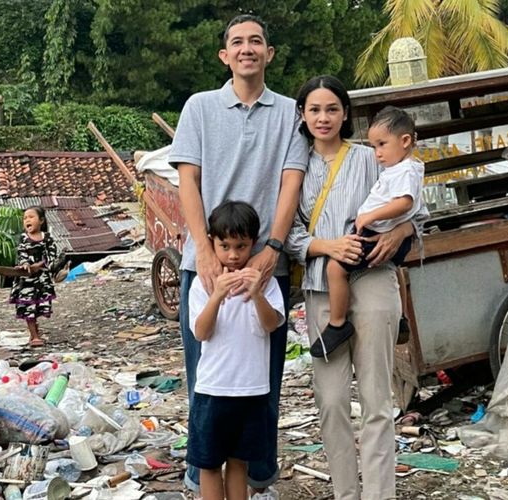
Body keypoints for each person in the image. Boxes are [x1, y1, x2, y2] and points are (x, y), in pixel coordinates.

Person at [168, 14, 308, 498]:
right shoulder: (199, 107)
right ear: (224, 56)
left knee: (262, 380)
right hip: (203, 264)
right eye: (236, 42)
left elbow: (291, 181)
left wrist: (273, 247)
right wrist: (204, 253)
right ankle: (200, 474)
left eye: (256, 41)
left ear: (269, 54)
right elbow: (189, 179)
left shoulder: (292, 113)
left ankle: (256, 478)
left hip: (266, 263)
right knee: (204, 377)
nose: (247, 48)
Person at [286, 75, 427, 500]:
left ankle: (379, 495)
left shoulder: (373, 157)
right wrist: (327, 245)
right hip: (320, 288)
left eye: (332, 109)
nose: (323, 118)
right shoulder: (294, 168)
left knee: (375, 400)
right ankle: (346, 493)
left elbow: (416, 207)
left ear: (345, 113)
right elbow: (288, 233)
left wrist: (401, 231)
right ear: (303, 115)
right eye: (314, 110)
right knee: (330, 402)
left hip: (373, 282)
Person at [187, 201, 285, 500]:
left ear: (253, 244)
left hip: (251, 390)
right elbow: (201, 332)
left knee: (239, 462)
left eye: (241, 246)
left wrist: (256, 293)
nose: (233, 255)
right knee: (209, 464)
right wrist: (216, 295)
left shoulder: (264, 284)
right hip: (213, 389)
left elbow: (271, 325)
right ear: (212, 243)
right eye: (224, 245)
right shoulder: (201, 285)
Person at [312, 106, 424, 358]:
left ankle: (337, 323)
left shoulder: (405, 170)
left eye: (382, 145)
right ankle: (403, 319)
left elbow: (405, 203)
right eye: (374, 147)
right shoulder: (401, 168)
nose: (378, 153)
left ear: (405, 141)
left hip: (373, 233)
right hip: (378, 232)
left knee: (335, 268)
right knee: (396, 269)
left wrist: (370, 216)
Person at [9, 206, 58, 348]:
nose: (27, 220)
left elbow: (52, 255)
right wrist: (25, 264)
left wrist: (39, 265)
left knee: (38, 305)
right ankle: (34, 335)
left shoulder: (47, 238)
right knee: (28, 305)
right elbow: (21, 253)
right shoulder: (23, 238)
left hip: (42, 279)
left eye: (31, 217)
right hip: (26, 280)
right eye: (25, 218)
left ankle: (35, 329)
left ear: (41, 220)